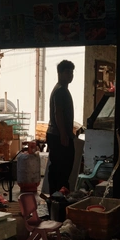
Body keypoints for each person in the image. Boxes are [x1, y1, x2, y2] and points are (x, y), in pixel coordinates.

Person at [46, 60, 75, 194]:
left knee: (61, 169)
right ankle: (57, 196)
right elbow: (58, 113)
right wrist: (63, 134)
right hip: (58, 136)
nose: (70, 75)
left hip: (58, 135)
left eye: (72, 72)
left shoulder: (62, 89)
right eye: (67, 72)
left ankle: (58, 195)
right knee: (60, 170)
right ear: (60, 73)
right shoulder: (60, 91)